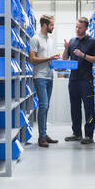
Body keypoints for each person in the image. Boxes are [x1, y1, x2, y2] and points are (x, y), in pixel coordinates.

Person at [63, 17, 95, 144]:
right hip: (73, 80)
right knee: (75, 107)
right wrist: (66, 48)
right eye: (76, 27)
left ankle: (89, 135)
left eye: (80, 27)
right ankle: (76, 133)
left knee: (88, 108)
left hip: (86, 80)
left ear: (86, 28)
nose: (77, 29)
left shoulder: (93, 41)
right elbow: (65, 59)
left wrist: (83, 55)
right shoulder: (72, 41)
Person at [29, 14, 60, 148]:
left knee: (46, 107)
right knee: (44, 106)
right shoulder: (35, 39)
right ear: (44, 25)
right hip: (40, 77)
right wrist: (49, 58)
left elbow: (50, 58)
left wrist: (57, 63)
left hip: (49, 76)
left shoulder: (51, 40)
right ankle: (41, 137)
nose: (53, 27)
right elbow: (32, 60)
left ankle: (44, 134)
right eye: (51, 25)